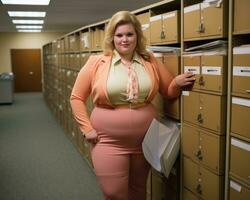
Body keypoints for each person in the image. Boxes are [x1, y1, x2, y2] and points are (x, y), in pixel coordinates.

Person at [70, 11, 194, 200]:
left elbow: (168, 91)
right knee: (114, 193)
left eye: (129, 34)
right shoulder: (97, 62)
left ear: (137, 35)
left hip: (144, 139)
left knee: (137, 191)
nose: (125, 40)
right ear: (112, 37)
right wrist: (87, 129)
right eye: (119, 35)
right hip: (108, 141)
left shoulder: (149, 60)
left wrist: (176, 83)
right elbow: (76, 97)